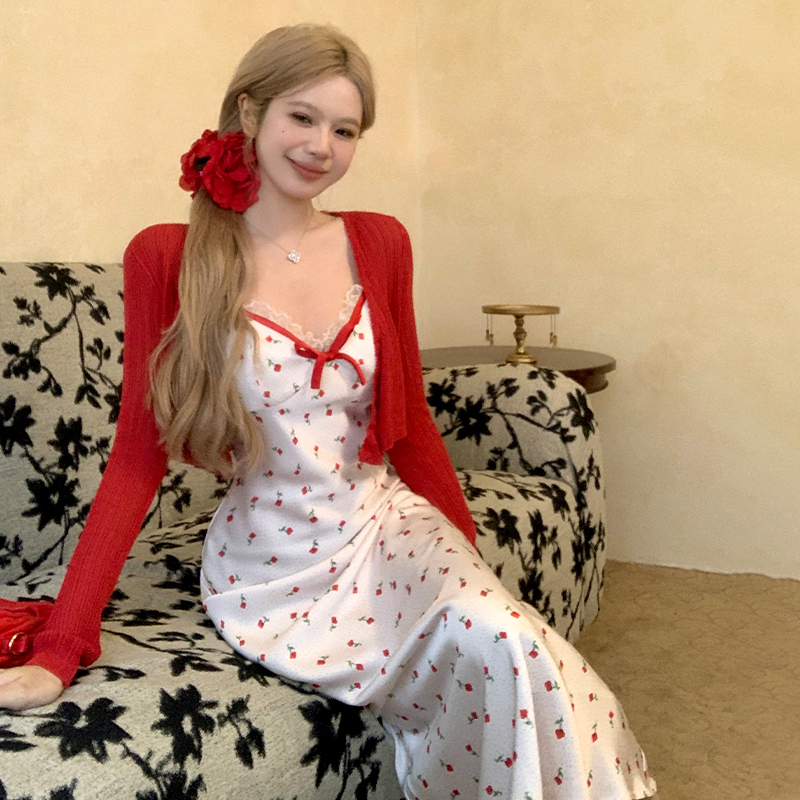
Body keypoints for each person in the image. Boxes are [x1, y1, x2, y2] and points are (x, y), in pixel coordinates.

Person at [0, 24, 658, 800]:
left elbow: (411, 430)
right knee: (487, 647)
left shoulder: (380, 241)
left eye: (345, 130)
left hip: (383, 521)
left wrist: (470, 561)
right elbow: (134, 463)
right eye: (302, 117)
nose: (321, 146)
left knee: (507, 636)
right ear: (250, 113)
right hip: (271, 565)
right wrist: (62, 645)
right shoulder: (169, 256)